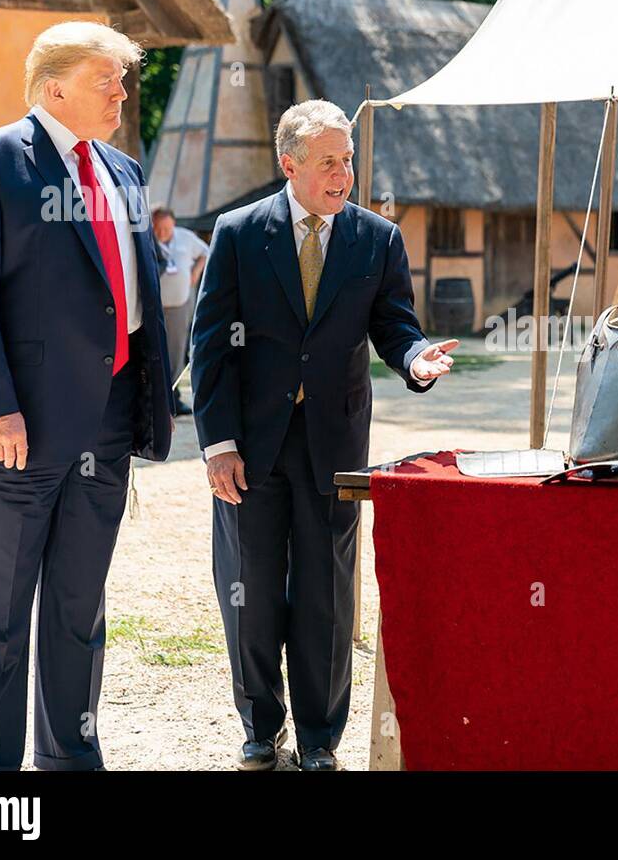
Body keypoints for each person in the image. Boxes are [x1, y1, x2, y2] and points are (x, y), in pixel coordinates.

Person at [0, 21, 173, 770]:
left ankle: (70, 757)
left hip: (107, 422)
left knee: (78, 608)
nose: (122, 94)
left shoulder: (125, 172)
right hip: (17, 425)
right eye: (109, 80)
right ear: (54, 85)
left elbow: (130, 291)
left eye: (124, 80)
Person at [191, 99, 456, 771]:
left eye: (349, 160)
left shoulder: (377, 238)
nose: (344, 175)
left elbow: (396, 324)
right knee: (249, 589)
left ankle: (317, 738)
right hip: (251, 447)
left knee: (326, 597)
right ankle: (259, 728)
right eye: (330, 162)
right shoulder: (239, 233)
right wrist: (218, 443)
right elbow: (211, 344)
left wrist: (415, 358)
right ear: (291, 164)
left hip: (333, 448)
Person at [152, 205, 209, 414]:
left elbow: (206, 252)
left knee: (176, 354)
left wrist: (195, 273)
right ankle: (155, 400)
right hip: (154, 307)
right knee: (155, 353)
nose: (163, 234)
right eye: (159, 229)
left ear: (173, 225)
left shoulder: (185, 237)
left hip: (179, 306)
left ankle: (174, 398)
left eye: (167, 229)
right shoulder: (148, 239)